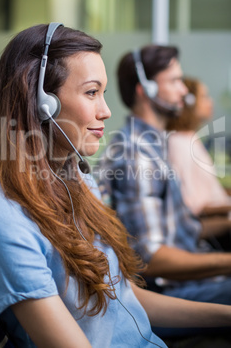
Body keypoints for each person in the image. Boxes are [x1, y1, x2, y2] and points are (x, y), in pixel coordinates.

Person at [0, 25, 231, 348]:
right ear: (41, 103)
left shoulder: (78, 182)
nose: (105, 111)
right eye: (92, 92)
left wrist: (225, 315)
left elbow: (125, 300)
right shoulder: (7, 223)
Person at [96, 45, 231, 336]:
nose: (185, 91)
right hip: (169, 294)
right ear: (144, 88)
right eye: (174, 81)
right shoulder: (137, 154)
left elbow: (180, 229)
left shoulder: (155, 144)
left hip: (188, 280)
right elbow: (152, 258)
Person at [167, 76, 231, 216]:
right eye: (204, 96)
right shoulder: (178, 143)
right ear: (188, 103)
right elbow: (192, 206)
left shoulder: (191, 138)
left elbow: (211, 194)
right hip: (210, 223)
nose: (210, 101)